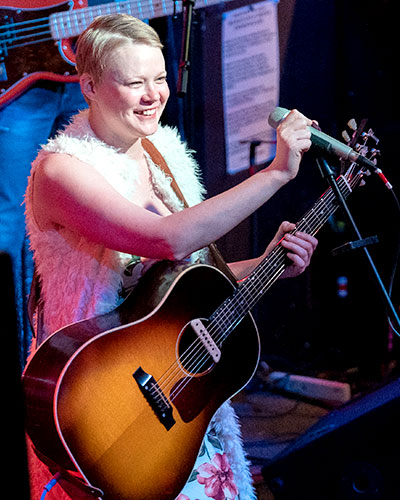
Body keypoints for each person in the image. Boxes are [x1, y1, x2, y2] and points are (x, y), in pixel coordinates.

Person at [24, 13, 317, 500]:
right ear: (90, 86)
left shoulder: (162, 151)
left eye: (159, 78)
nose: (153, 95)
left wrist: (266, 265)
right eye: (135, 82)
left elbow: (175, 286)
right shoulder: (60, 171)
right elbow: (167, 241)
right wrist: (276, 174)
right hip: (103, 394)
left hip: (172, 385)